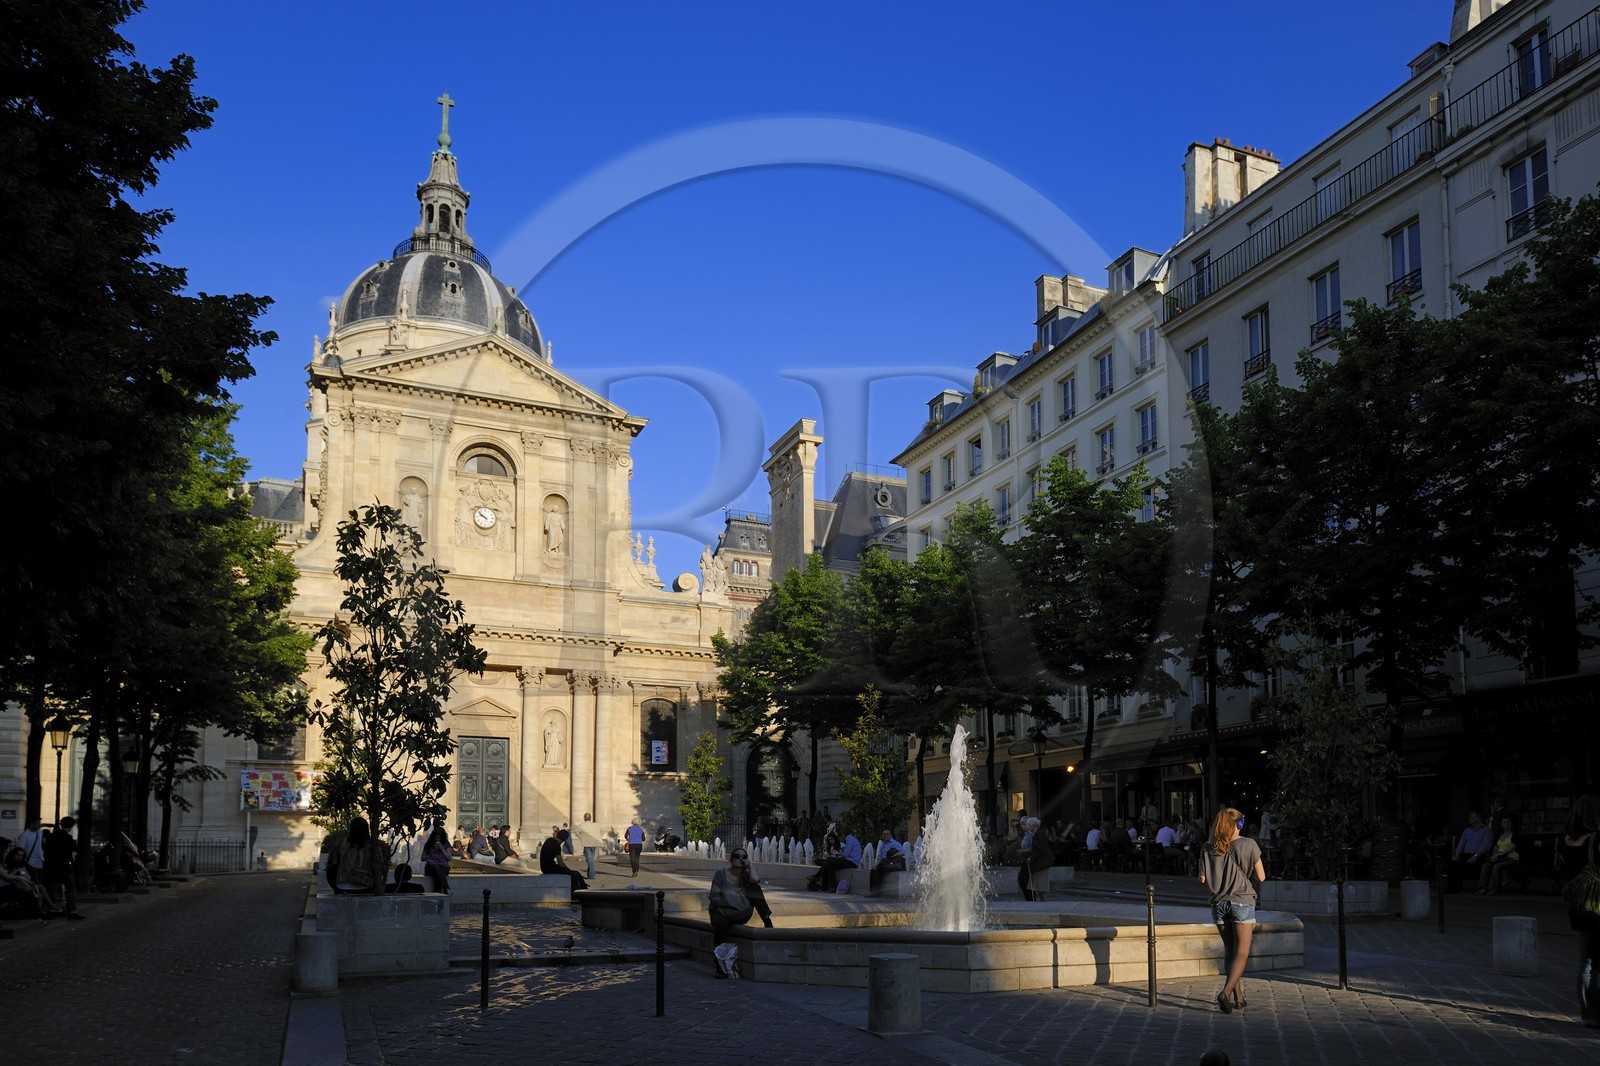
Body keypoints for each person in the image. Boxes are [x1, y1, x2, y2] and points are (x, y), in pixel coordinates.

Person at [1199, 806, 1266, 1014]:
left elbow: (1202, 879)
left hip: (1218, 904)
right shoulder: (1249, 844)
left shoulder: (1207, 847)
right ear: (1238, 825)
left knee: (1230, 951)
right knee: (1243, 952)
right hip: (1242, 902)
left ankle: (1239, 998)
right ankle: (1226, 992)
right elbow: (1261, 877)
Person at [1560, 794, 1600, 1028]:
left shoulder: (1565, 840)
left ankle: (1588, 1013)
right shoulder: (1596, 839)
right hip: (1598, 905)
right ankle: (1597, 1012)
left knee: (1586, 960)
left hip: (1578, 907)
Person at [707, 846, 773, 978]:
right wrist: (731, 904)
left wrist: (750, 865)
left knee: (755, 888)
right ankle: (720, 966)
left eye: (744, 857)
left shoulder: (746, 874)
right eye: (737, 856)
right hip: (722, 913)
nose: (740, 859)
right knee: (720, 925)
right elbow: (715, 898)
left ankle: (767, 920)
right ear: (731, 860)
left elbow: (755, 880)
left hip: (740, 913)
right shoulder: (720, 874)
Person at [330, 817, 388, 894]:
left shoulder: (341, 843)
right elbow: (379, 866)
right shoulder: (372, 846)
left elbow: (332, 864)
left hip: (342, 884)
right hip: (365, 885)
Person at [42, 815, 82, 917]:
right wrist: (72, 863)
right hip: (64, 867)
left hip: (51, 866)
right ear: (71, 826)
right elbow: (70, 854)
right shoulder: (68, 838)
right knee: (70, 888)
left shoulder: (51, 836)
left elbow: (46, 851)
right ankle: (72, 911)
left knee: (51, 889)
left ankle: (46, 910)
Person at [1476, 815, 1519, 894]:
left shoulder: (1514, 835)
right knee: (1486, 865)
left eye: (1508, 822)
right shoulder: (1499, 836)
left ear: (1511, 824)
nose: (1506, 823)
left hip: (1511, 858)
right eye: (1504, 822)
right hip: (1499, 858)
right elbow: (1495, 849)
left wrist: (1497, 855)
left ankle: (1493, 889)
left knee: (1496, 866)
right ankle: (1482, 888)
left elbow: (1510, 849)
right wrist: (1494, 856)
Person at [1450, 811, 1492, 891]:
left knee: (1464, 864)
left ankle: (1455, 887)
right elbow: (1461, 843)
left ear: (1478, 818)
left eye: (1472, 817)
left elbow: (1485, 845)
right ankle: (1453, 887)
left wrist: (1476, 856)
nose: (1469, 819)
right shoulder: (1467, 830)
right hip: (1466, 854)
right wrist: (1457, 854)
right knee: (1453, 863)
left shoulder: (1486, 830)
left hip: (1479, 855)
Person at [1020, 816, 1054, 901]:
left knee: (1041, 886)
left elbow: (1041, 849)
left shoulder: (1038, 834)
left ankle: (1044, 904)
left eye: (1028, 824)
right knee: (1039, 886)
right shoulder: (1036, 833)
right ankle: (1042, 903)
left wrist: (1031, 858)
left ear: (1033, 826)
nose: (1027, 826)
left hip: (1042, 863)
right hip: (1039, 864)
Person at [869, 829, 908, 893]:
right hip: (885, 863)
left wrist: (895, 855)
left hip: (893, 863)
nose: (885, 835)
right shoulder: (883, 845)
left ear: (891, 835)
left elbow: (903, 852)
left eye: (887, 834)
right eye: (884, 834)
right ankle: (872, 891)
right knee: (873, 870)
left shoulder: (894, 843)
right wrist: (876, 865)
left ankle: (877, 891)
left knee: (879, 869)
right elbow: (880, 858)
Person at [421, 825, 453, 894]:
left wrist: (442, 849)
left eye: (439, 837)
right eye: (436, 837)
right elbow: (423, 858)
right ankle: (446, 888)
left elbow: (449, 858)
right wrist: (430, 855)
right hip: (431, 867)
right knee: (436, 868)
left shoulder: (446, 844)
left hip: (443, 866)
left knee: (438, 872)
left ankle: (437, 891)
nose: (437, 839)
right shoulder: (429, 844)